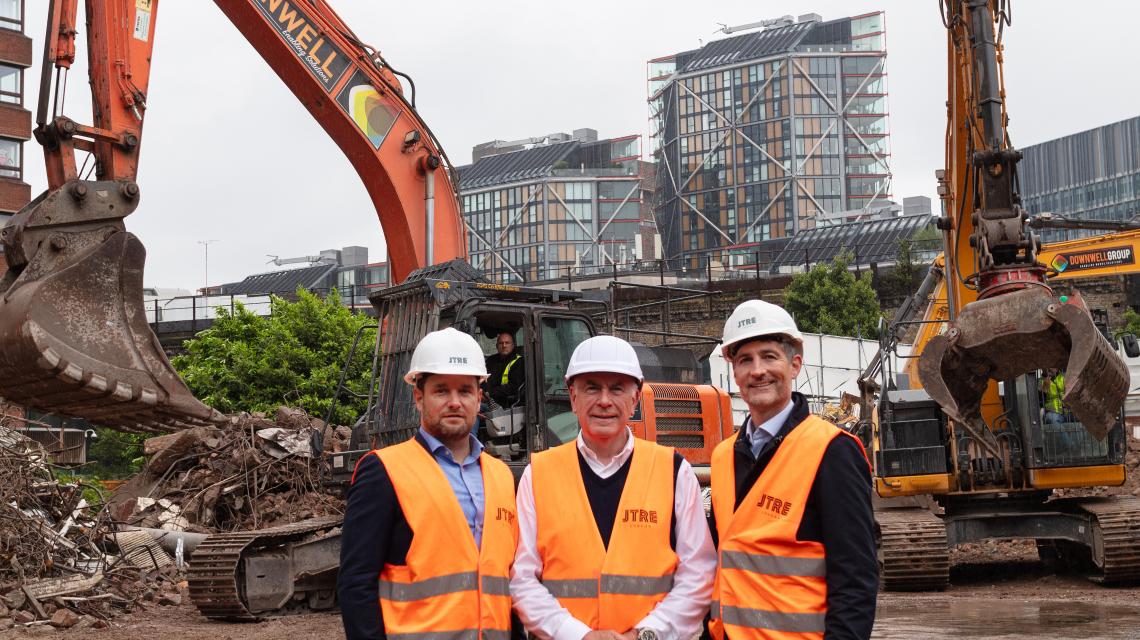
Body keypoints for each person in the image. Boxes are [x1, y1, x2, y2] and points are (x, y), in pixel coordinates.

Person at [511, 335, 715, 640]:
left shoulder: (674, 471)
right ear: (573, 396)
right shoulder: (537, 475)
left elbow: (698, 575)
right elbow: (523, 580)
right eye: (592, 387)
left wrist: (644, 635)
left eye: (616, 388)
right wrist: (578, 636)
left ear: (634, 398)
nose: (604, 400)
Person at [708, 300, 877, 640]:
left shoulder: (832, 451)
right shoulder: (724, 456)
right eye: (745, 360)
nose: (757, 371)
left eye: (769, 356)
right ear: (734, 371)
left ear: (794, 364)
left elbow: (856, 580)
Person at [338, 327, 518, 640]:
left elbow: (506, 581)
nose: (454, 402)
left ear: (479, 397)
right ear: (419, 397)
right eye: (441, 391)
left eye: (464, 390)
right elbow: (356, 583)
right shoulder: (384, 471)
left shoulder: (501, 476)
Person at [485, 331, 525, 407]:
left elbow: (514, 387)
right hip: (488, 400)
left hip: (506, 404)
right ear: (497, 346)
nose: (504, 345)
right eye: (501, 343)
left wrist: (489, 394)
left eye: (507, 343)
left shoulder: (519, 362)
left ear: (513, 345)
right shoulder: (490, 360)